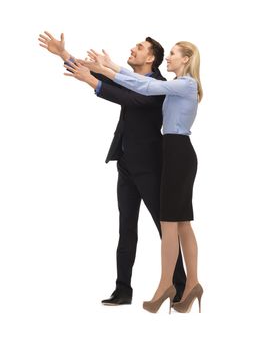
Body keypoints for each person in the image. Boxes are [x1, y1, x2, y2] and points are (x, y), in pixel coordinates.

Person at [38, 32, 186, 306]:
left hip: (152, 167)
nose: (133, 49)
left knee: (164, 229)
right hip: (126, 164)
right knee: (126, 229)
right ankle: (123, 290)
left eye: (139, 48)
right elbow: (91, 72)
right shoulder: (127, 79)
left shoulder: (159, 87)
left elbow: (129, 99)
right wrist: (63, 54)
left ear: (151, 58)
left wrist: (93, 81)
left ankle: (181, 287)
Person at [66, 41, 204, 314]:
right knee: (180, 224)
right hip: (167, 152)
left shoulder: (183, 84)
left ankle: (171, 284)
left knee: (169, 224)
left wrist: (105, 71)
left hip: (173, 155)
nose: (170, 59)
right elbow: (136, 83)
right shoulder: (175, 84)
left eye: (174, 54)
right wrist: (95, 65)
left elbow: (143, 89)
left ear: (186, 59)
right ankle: (190, 285)